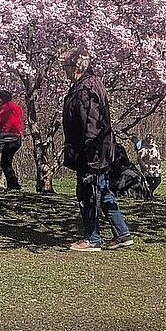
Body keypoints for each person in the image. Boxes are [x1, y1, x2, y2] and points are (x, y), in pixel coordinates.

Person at [61, 50, 133, 252]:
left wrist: (90, 150)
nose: (64, 72)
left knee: (88, 193)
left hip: (92, 151)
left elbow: (90, 122)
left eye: (66, 67)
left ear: (76, 68)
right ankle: (122, 233)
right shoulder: (89, 84)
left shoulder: (86, 89)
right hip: (97, 150)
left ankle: (92, 239)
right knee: (103, 189)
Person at [0, 90, 25, 191]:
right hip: (17, 138)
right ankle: (13, 185)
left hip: (5, 137)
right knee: (6, 163)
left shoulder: (5, 108)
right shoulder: (17, 108)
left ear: (2, 98)